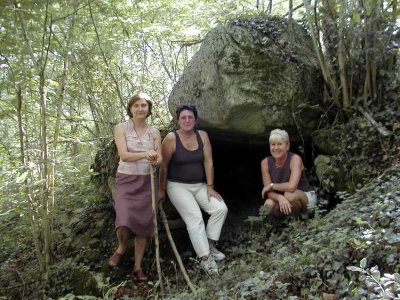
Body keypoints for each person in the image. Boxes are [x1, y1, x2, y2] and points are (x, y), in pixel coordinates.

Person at [158, 105, 228, 274]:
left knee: (220, 208)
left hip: (199, 185)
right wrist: (161, 190)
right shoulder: (171, 138)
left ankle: (210, 245)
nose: (187, 120)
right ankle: (205, 258)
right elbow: (163, 167)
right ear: (178, 120)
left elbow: (208, 161)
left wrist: (210, 186)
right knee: (195, 218)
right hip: (177, 186)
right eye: (183, 117)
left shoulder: (202, 135)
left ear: (195, 120)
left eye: (190, 117)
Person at [108, 92, 162, 281]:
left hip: (147, 181)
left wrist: (155, 161)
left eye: (144, 105)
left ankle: (137, 267)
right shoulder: (121, 128)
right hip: (126, 180)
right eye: (136, 105)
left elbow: (160, 158)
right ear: (130, 108)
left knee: (143, 225)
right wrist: (146, 154)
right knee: (123, 220)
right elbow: (123, 155)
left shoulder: (154, 131)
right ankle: (122, 247)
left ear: (149, 110)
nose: (140, 109)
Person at [260, 129, 317, 217]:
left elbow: (291, 187)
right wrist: (280, 198)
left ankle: (302, 221)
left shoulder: (295, 159)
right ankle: (282, 224)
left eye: (279, 144)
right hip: (283, 198)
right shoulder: (265, 163)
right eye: (273, 144)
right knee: (268, 204)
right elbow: (268, 192)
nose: (276, 148)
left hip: (305, 197)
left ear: (287, 146)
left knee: (289, 195)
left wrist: (271, 186)